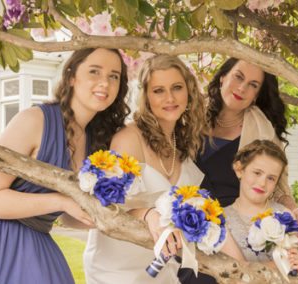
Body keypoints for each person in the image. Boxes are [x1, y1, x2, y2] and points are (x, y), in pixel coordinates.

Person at [0, 48, 130, 284]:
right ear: (71, 76)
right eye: (94, 72)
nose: (105, 83)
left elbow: (67, 218)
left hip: (38, 242)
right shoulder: (34, 120)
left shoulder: (96, 143)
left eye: (114, 76)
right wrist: (61, 201)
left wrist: (106, 217)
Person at [178, 58, 298, 283]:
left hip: (236, 231)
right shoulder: (191, 121)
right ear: (222, 78)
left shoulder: (262, 130)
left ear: (257, 94)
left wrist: (293, 211)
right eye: (238, 77)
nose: (242, 88)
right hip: (192, 225)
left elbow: (277, 182)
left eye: (253, 85)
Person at [83, 54, 207, 284]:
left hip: (163, 269)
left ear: (188, 92)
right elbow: (109, 206)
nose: (169, 98)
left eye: (177, 87)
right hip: (117, 269)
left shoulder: (183, 145)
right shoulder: (129, 138)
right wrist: (148, 214)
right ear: (146, 97)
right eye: (158, 90)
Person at [221, 140, 298, 274]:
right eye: (257, 173)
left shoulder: (284, 215)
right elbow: (240, 274)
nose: (262, 183)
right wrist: (279, 265)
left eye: (271, 178)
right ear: (239, 169)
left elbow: (294, 268)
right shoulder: (222, 219)